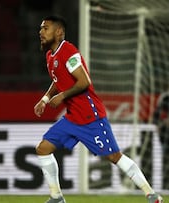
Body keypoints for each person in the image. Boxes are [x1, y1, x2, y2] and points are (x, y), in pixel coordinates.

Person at [33, 15, 163, 203]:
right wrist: (45, 99)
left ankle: (151, 194)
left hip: (90, 117)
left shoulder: (68, 52)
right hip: (72, 118)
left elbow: (84, 82)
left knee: (114, 156)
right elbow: (57, 79)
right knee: (43, 148)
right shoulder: (50, 55)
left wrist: (61, 96)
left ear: (59, 32)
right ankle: (56, 197)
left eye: (46, 28)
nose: (41, 32)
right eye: (41, 28)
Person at [153, 91, 169, 189]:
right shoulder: (165, 98)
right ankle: (166, 187)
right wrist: (162, 124)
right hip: (166, 137)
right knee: (166, 162)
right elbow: (155, 118)